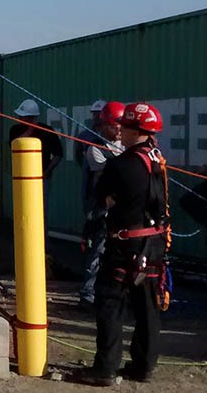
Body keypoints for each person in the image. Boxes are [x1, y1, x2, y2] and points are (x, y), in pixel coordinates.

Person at [80, 102, 170, 386]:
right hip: (153, 244)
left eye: (124, 126)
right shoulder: (158, 159)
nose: (120, 131)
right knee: (147, 308)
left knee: (109, 303)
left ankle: (105, 367)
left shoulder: (119, 165)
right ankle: (144, 365)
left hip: (124, 245)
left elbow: (104, 199)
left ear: (133, 130)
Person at [78, 101, 125, 308]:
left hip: (124, 208)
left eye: (121, 125)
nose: (119, 130)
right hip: (101, 207)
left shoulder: (126, 146)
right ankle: (88, 294)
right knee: (98, 249)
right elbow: (106, 175)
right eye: (115, 125)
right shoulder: (95, 149)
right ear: (103, 125)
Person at [8, 99, 63, 245]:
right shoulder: (15, 130)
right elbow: (15, 145)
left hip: (41, 178)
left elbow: (58, 154)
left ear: (32, 117)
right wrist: (30, 130)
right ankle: (23, 242)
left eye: (24, 117)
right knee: (23, 211)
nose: (20, 119)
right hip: (21, 178)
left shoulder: (47, 131)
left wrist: (47, 171)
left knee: (40, 211)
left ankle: (42, 243)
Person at [75, 99, 107, 167]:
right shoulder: (84, 135)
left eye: (99, 113)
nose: (96, 116)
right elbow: (78, 154)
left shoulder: (113, 134)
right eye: (94, 113)